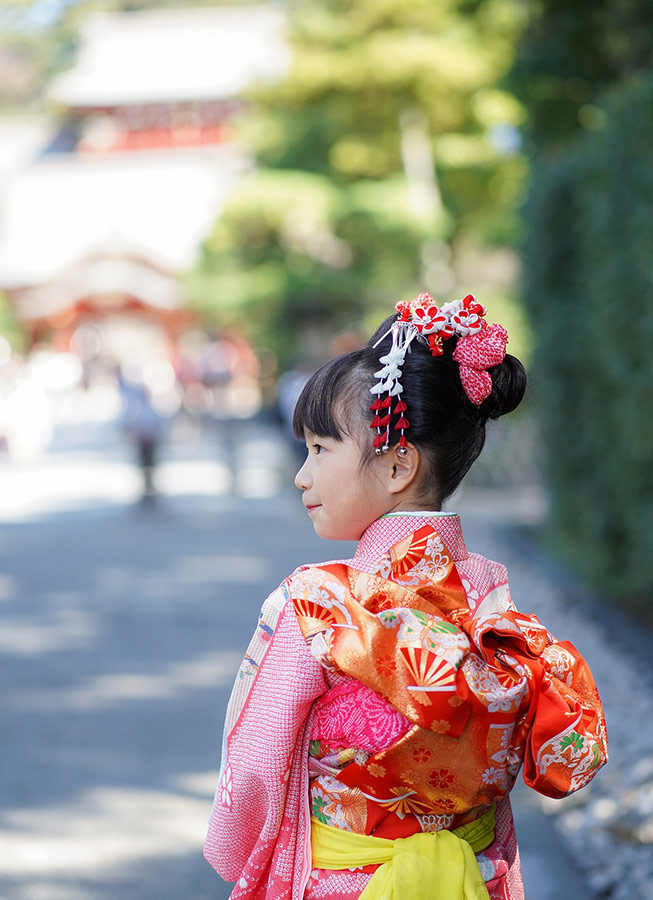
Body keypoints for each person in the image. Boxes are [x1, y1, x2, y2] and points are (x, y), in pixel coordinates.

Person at [204, 292, 608, 900]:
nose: (302, 474)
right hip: (472, 877)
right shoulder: (490, 595)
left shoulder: (313, 603)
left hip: (344, 882)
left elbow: (256, 764)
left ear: (398, 466)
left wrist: (231, 851)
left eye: (320, 449)